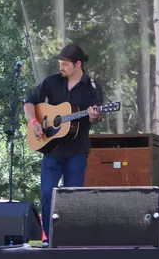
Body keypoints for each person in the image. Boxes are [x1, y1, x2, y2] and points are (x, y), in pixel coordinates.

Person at [24, 43, 103, 239]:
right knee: (47, 195)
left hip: (76, 151)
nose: (61, 67)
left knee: (73, 197)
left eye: (65, 64)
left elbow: (95, 118)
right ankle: (51, 240)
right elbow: (29, 102)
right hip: (52, 150)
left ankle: (70, 239)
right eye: (60, 63)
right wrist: (34, 121)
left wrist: (94, 116)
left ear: (78, 64)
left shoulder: (92, 88)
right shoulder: (52, 82)